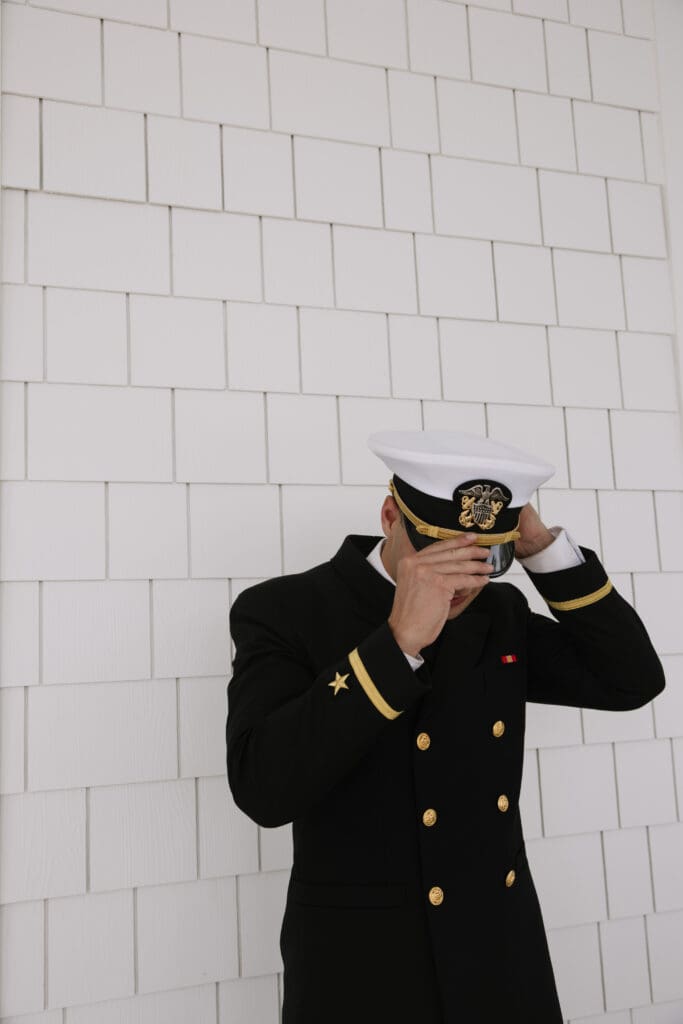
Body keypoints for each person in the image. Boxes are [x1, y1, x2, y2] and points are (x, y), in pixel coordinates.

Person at [225, 429, 665, 1024]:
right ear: (389, 516)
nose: (464, 579)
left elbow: (631, 680)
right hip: (364, 968)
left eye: (488, 556)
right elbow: (263, 787)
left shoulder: (500, 611)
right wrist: (397, 644)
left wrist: (539, 549)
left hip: (500, 956)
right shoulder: (286, 610)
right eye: (441, 553)